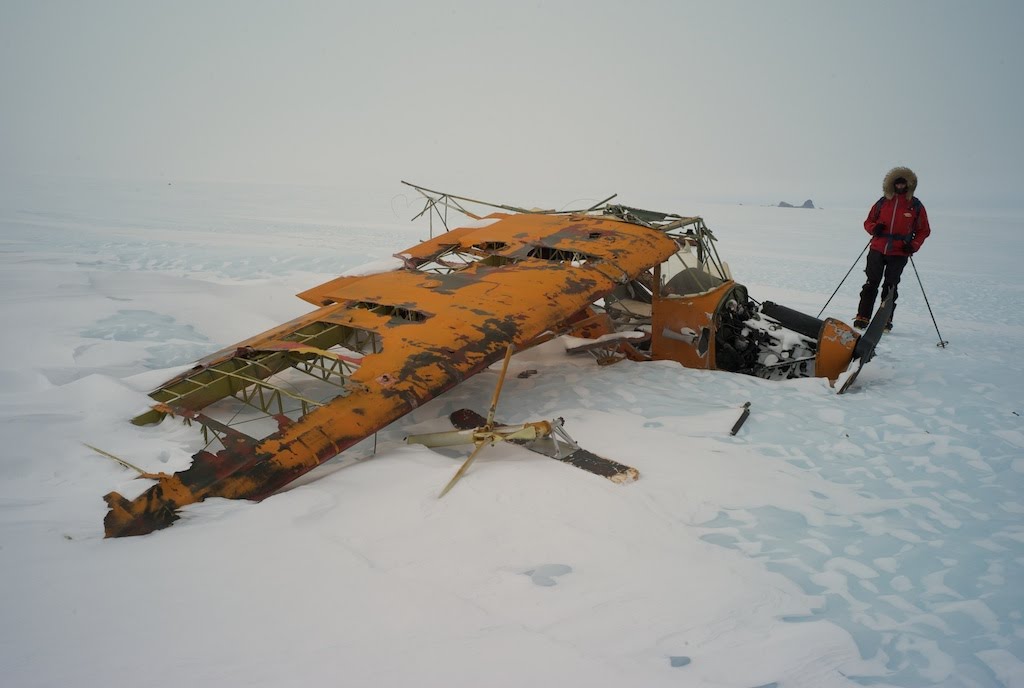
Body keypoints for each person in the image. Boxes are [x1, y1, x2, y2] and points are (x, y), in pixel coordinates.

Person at [854, 166, 931, 331]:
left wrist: (914, 245)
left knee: (890, 286)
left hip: (899, 251)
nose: (901, 186)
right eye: (898, 182)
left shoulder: (915, 205)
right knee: (871, 283)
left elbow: (924, 230)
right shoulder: (882, 202)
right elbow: (868, 221)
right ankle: (862, 317)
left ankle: (885, 320)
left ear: (909, 185)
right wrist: (874, 228)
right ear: (892, 184)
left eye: (904, 183)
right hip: (877, 248)